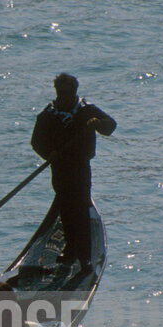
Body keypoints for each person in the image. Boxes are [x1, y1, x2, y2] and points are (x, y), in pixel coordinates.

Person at [30, 73, 116, 270]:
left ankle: (84, 257)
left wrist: (98, 124)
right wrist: (48, 154)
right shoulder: (48, 115)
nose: (63, 97)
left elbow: (111, 125)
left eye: (67, 93)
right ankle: (70, 250)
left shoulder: (87, 110)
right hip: (59, 167)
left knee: (80, 207)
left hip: (80, 166)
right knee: (66, 208)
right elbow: (36, 142)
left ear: (74, 92)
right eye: (60, 93)